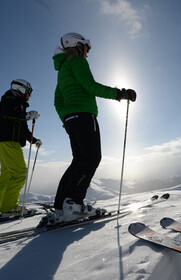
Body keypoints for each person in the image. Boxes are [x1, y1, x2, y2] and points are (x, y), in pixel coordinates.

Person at [49, 32, 136, 224]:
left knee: (78, 160)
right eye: (86, 49)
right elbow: (90, 86)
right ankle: (74, 205)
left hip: (71, 119)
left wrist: (66, 118)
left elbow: (57, 100)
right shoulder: (76, 61)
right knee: (91, 158)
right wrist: (119, 94)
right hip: (85, 115)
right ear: (77, 46)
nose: (87, 53)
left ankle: (61, 207)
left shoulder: (62, 68)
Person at [0, 79, 42, 214]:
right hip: (9, 141)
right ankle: (9, 207)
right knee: (19, 173)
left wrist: (34, 140)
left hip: (5, 142)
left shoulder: (19, 105)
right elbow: (7, 114)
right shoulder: (8, 100)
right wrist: (27, 115)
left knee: (7, 175)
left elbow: (23, 129)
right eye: (29, 91)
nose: (30, 95)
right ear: (21, 89)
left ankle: (2, 205)